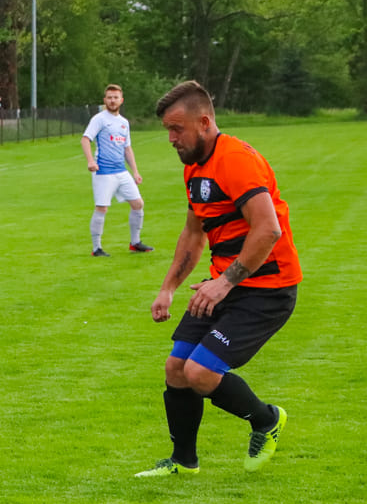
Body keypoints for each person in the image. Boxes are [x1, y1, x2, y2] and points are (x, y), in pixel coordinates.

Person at [135, 80, 301, 477]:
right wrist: (168, 288)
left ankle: (267, 419)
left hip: (268, 288)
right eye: (167, 131)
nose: (171, 138)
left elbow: (268, 229)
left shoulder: (236, 160)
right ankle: (183, 462)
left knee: (200, 372)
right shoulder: (195, 165)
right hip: (222, 283)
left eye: (177, 129)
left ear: (205, 121)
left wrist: (223, 283)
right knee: (176, 368)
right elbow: (195, 232)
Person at [80, 84, 153, 257]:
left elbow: (127, 148)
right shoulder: (99, 119)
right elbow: (85, 139)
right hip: (104, 171)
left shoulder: (124, 123)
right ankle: (96, 248)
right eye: (109, 97)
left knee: (138, 204)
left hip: (121, 171)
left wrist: (135, 171)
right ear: (105, 100)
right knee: (102, 208)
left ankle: (135, 242)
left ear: (121, 100)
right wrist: (90, 161)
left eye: (115, 97)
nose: (112, 100)